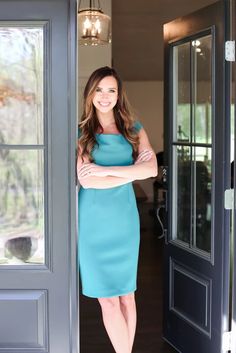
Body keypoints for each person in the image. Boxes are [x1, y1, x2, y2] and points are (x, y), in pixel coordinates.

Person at [77, 66, 157, 353]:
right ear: (90, 94)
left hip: (124, 221)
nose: (105, 96)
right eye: (99, 89)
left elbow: (152, 169)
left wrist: (102, 170)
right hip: (93, 223)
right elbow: (87, 182)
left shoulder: (132, 128)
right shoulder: (81, 133)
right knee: (107, 300)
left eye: (111, 90)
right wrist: (131, 172)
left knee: (127, 297)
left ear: (118, 94)